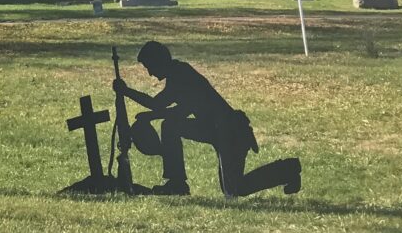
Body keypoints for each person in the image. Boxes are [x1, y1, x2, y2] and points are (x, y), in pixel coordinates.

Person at [113, 41, 301, 197]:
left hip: (229, 131)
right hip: (214, 129)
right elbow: (180, 111)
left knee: (234, 189)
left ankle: (288, 169)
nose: (150, 73)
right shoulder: (178, 73)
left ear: (159, 61)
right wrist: (150, 115)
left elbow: (159, 104)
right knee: (170, 126)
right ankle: (176, 183)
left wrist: (126, 91)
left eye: (150, 67)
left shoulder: (180, 75)